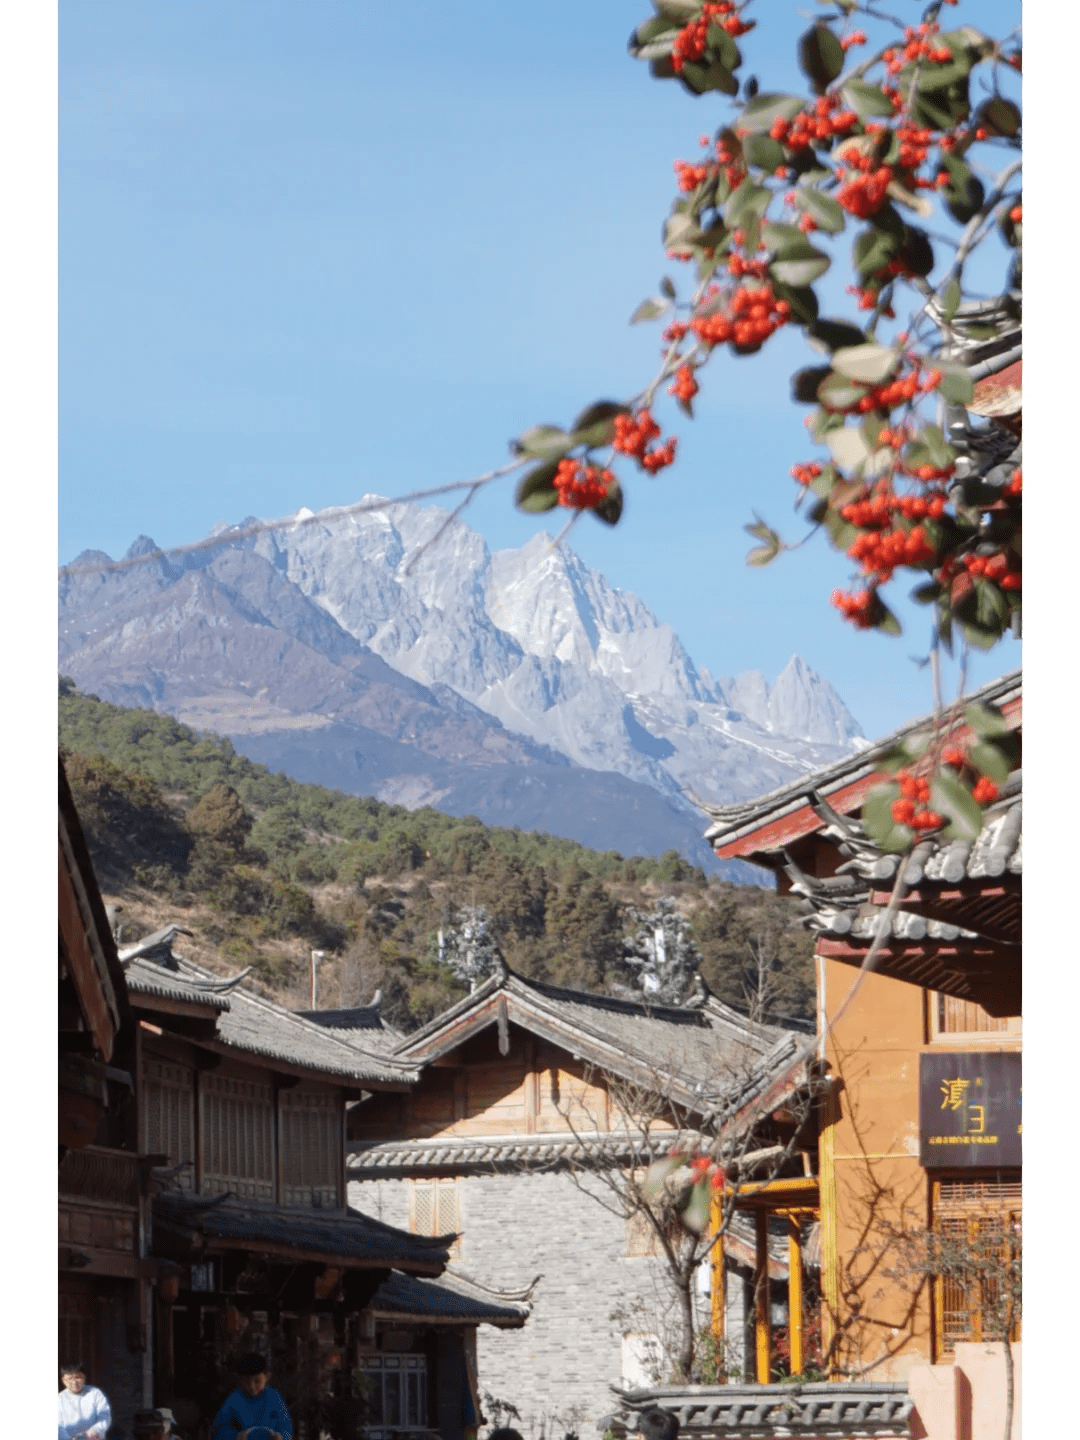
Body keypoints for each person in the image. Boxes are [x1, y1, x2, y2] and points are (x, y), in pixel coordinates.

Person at [212, 1353, 292, 1440]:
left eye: (257, 1381)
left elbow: (285, 1423)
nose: (252, 1386)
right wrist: (235, 1436)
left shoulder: (274, 1397)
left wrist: (282, 1436)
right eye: (247, 1382)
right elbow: (220, 1426)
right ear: (241, 1380)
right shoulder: (235, 1399)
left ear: (267, 1377)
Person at [58, 1361, 111, 1440]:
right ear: (63, 1380)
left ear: (84, 1377)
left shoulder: (95, 1393)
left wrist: (96, 1429)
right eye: (69, 1379)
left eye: (78, 1377)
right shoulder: (59, 1399)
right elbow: (58, 1426)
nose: (74, 1382)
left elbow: (104, 1416)